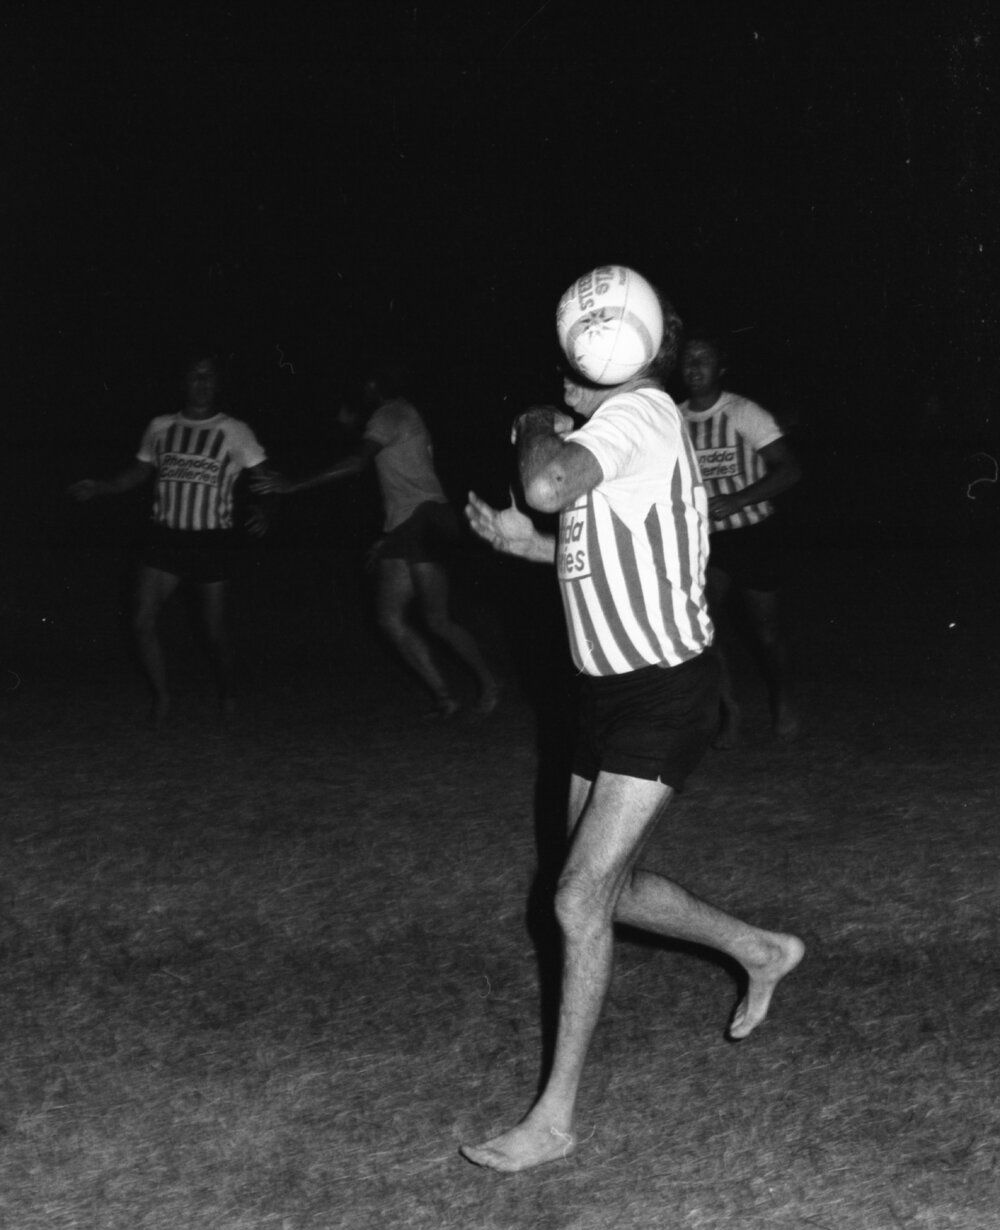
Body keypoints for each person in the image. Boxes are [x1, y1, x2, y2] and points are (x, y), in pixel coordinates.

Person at [460, 293, 804, 1173]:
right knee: (600, 883)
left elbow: (546, 482)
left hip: (661, 695)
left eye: (566, 369)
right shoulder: (630, 434)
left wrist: (535, 424)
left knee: (577, 898)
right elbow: (599, 549)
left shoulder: (638, 414)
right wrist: (523, 546)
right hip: (607, 697)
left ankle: (554, 1122)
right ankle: (760, 949)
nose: (558, 384)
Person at [254, 372, 498, 718]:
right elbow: (399, 477)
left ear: (373, 387)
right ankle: (445, 697)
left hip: (427, 521)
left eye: (367, 385)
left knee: (437, 619)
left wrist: (293, 485)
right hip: (404, 526)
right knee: (388, 618)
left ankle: (489, 683)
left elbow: (356, 463)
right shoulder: (396, 415)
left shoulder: (391, 414)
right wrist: (388, 537)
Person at [68, 356, 275, 725]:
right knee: (141, 620)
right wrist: (102, 486)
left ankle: (229, 693)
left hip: (211, 540)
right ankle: (162, 697)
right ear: (184, 382)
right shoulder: (160, 426)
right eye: (195, 376)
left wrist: (264, 508)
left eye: (208, 376)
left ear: (217, 384)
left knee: (213, 632)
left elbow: (263, 476)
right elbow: (139, 471)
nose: (201, 382)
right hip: (164, 537)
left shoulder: (234, 430)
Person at [679, 335, 801, 745]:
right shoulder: (672, 420)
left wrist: (738, 499)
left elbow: (789, 470)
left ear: (721, 367)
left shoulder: (743, 412)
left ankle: (783, 698)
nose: (695, 367)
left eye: (704, 359)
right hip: (706, 543)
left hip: (755, 533)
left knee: (766, 631)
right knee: (702, 631)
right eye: (688, 360)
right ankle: (729, 711)